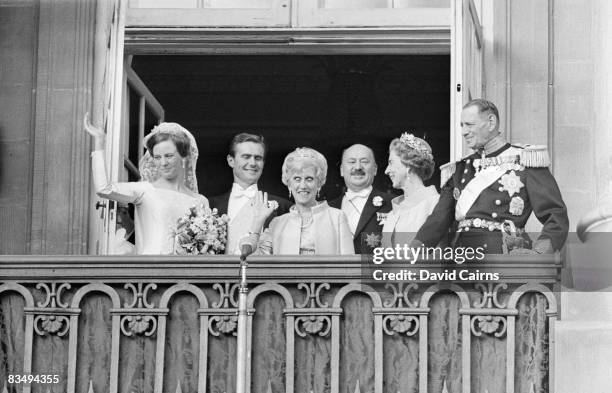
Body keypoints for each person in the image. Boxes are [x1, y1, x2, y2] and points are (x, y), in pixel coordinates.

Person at [412, 99, 569, 254]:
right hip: (461, 260)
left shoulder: (524, 160)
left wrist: (539, 253)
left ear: (491, 122)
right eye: (462, 125)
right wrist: (414, 248)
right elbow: (439, 219)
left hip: (503, 258)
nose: (463, 132)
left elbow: (555, 215)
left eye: (469, 124)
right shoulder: (459, 168)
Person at [85, 115, 209, 254]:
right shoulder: (145, 190)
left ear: (184, 157)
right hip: (150, 270)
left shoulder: (200, 201)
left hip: (187, 272)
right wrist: (99, 143)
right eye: (157, 157)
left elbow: (205, 246)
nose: (163, 163)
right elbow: (104, 189)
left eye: (169, 156)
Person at [241, 148, 354, 255]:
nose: (303, 185)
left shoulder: (337, 218)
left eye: (309, 179)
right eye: (297, 179)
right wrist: (257, 222)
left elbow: (350, 267)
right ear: (289, 183)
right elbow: (255, 263)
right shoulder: (277, 223)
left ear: (319, 183)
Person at [210, 133, 291, 254]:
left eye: (258, 158)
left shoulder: (284, 207)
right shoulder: (210, 206)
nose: (253, 163)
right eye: (246, 157)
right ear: (231, 160)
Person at [328, 144, 394, 253]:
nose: (358, 167)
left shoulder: (393, 204)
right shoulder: (328, 209)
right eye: (352, 162)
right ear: (341, 170)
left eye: (364, 161)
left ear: (375, 169)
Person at [381, 133, 440, 248]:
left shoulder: (435, 205)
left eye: (391, 162)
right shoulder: (392, 214)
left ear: (408, 165)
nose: (386, 171)